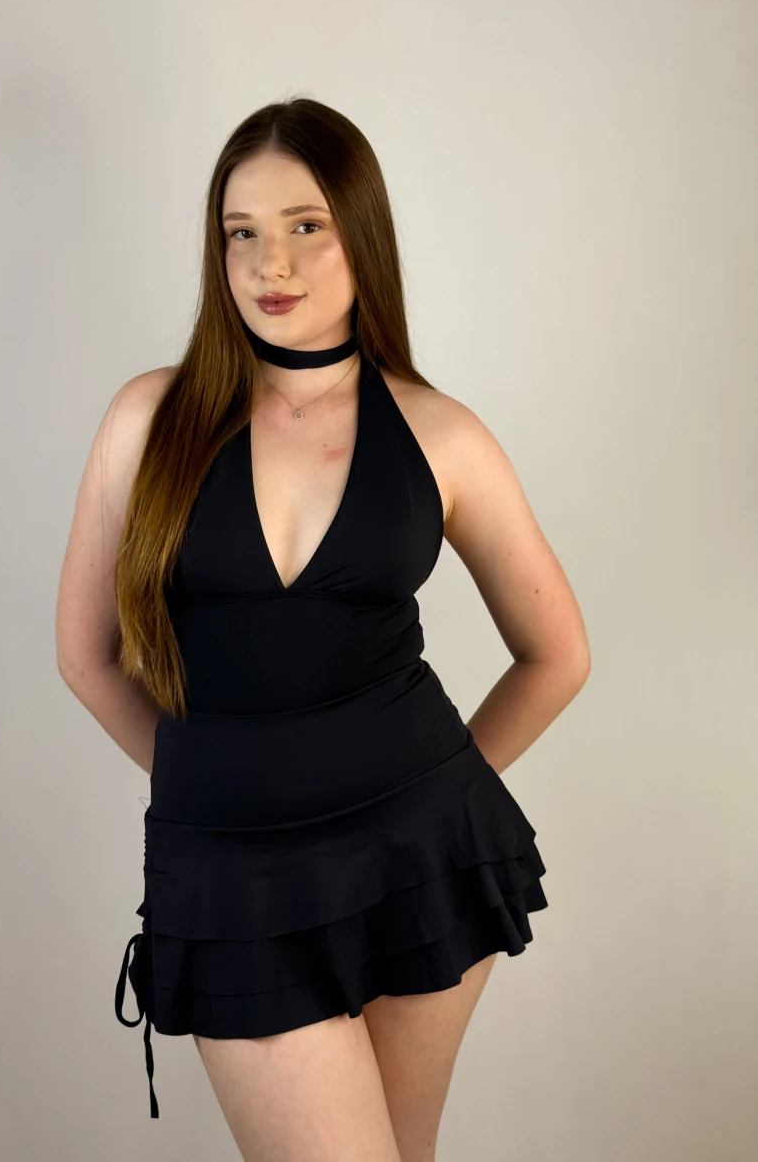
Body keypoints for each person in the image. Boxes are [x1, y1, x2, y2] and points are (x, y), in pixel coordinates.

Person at [56, 96, 590, 1160]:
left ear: (361, 231)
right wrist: (223, 785)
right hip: (231, 879)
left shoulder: (440, 434)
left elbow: (557, 655)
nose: (271, 262)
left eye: (306, 225)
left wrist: (432, 797)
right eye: (241, 232)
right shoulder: (148, 420)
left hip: (420, 860)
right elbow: (87, 656)